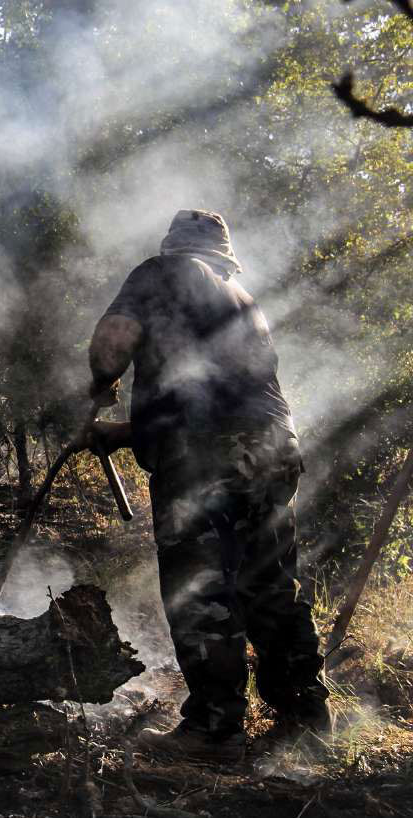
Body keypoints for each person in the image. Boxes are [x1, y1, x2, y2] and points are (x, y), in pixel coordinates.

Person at [85, 209, 329, 762]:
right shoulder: (242, 298)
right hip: (271, 451)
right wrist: (122, 433)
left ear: (173, 246)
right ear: (225, 253)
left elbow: (114, 338)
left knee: (199, 588)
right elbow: (216, 402)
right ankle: (307, 720)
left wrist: (103, 383)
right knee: (267, 584)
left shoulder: (160, 272)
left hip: (202, 459)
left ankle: (215, 731)